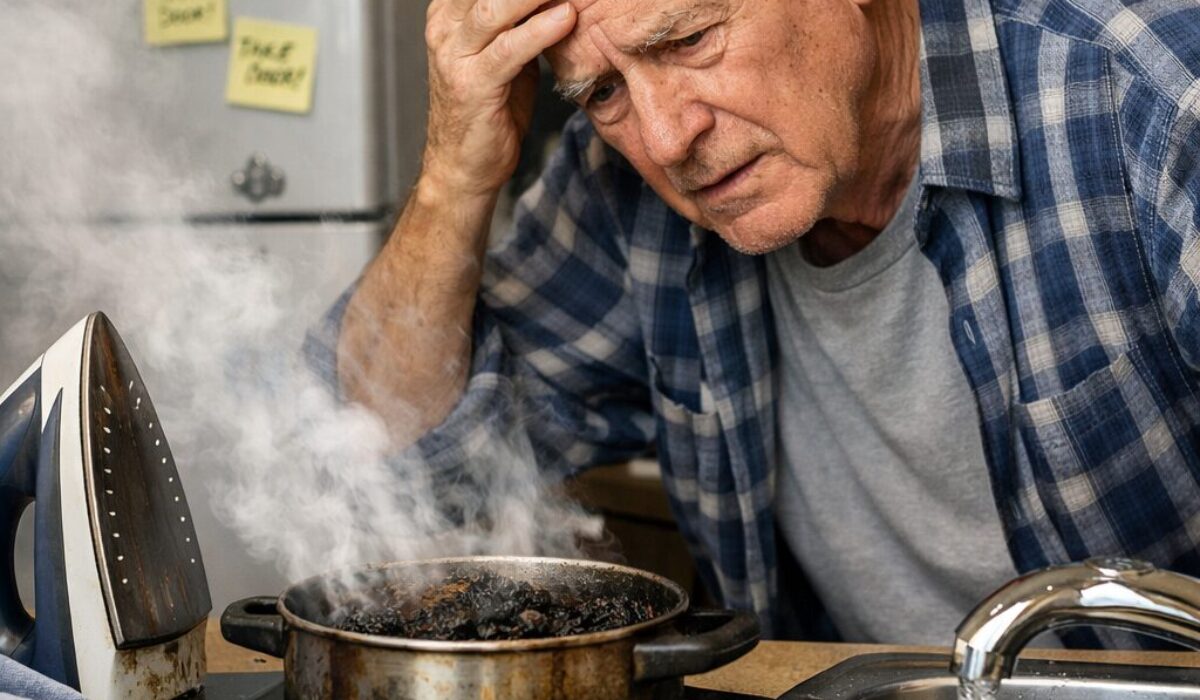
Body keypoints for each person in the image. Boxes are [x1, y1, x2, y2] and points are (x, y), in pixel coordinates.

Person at [328, 0, 1200, 643]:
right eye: (601, 93)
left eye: (687, 38)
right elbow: (385, 456)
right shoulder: (623, 190)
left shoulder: (1155, 102)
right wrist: (454, 177)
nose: (667, 139)